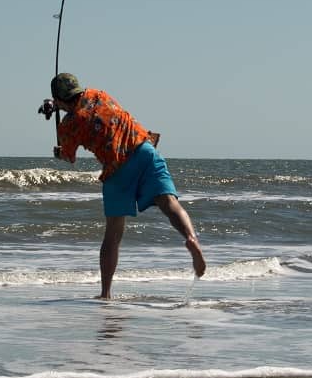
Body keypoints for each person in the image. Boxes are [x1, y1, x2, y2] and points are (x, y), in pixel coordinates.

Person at [48, 73, 205, 299]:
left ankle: (105, 293)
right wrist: (58, 105)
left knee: (113, 234)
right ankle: (191, 238)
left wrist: (59, 150)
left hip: (117, 168)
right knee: (169, 202)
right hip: (144, 148)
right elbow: (78, 104)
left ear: (59, 99)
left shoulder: (69, 125)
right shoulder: (98, 94)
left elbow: (69, 156)